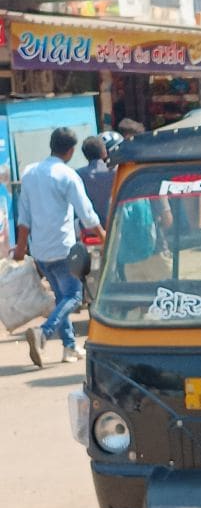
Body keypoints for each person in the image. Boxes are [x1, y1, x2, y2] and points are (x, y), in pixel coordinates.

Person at [12, 127, 105, 368]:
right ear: (71, 151)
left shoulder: (30, 173)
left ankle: (69, 347)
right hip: (63, 250)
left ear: (51, 145)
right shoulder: (67, 175)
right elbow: (87, 214)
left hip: (40, 252)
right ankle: (44, 332)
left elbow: (24, 216)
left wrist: (21, 248)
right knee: (74, 296)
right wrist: (105, 236)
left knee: (61, 297)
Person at [76, 135, 115, 227]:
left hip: (88, 227)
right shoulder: (116, 171)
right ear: (104, 152)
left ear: (85, 155)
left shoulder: (77, 174)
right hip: (113, 224)